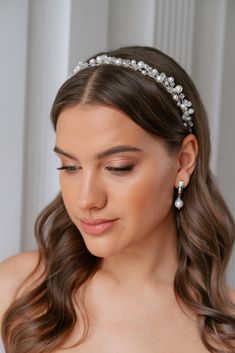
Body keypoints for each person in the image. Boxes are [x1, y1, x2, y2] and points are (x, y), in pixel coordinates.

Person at [0, 46, 235, 353]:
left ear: (183, 161)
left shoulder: (226, 330)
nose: (86, 200)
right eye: (70, 167)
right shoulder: (20, 287)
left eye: (117, 168)